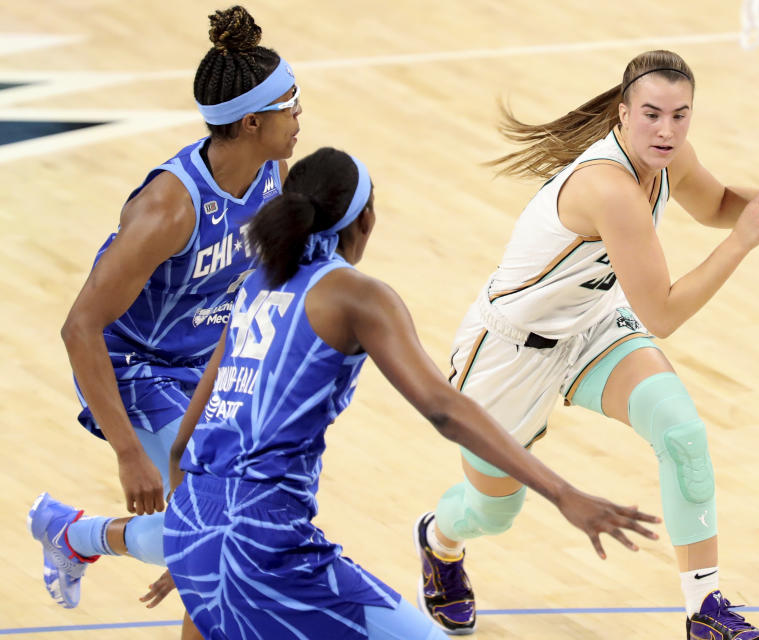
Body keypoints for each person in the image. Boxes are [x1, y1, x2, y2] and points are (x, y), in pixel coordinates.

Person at [412, 49, 759, 639]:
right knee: (492, 512)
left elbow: (718, 203)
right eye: (652, 114)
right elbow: (664, 312)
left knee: (681, 431)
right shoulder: (609, 188)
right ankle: (439, 542)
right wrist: (745, 243)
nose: (667, 130)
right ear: (622, 114)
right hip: (510, 351)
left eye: (681, 116)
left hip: (592, 324)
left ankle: (705, 610)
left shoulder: (668, 159)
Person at [161, 146, 661, 640]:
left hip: (192, 524)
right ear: (366, 221)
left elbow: (190, 434)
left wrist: (195, 550)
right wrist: (562, 492)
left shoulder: (255, 284)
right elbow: (444, 410)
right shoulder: (355, 295)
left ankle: (83, 537)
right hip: (262, 541)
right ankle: (78, 535)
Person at [25, 4, 299, 633]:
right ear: (252, 120)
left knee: (229, 532)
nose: (300, 113)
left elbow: (256, 277)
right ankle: (84, 536)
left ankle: (78, 535)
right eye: (292, 101)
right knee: (226, 540)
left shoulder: (271, 172)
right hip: (134, 366)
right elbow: (80, 327)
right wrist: (128, 452)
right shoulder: (168, 207)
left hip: (205, 363)